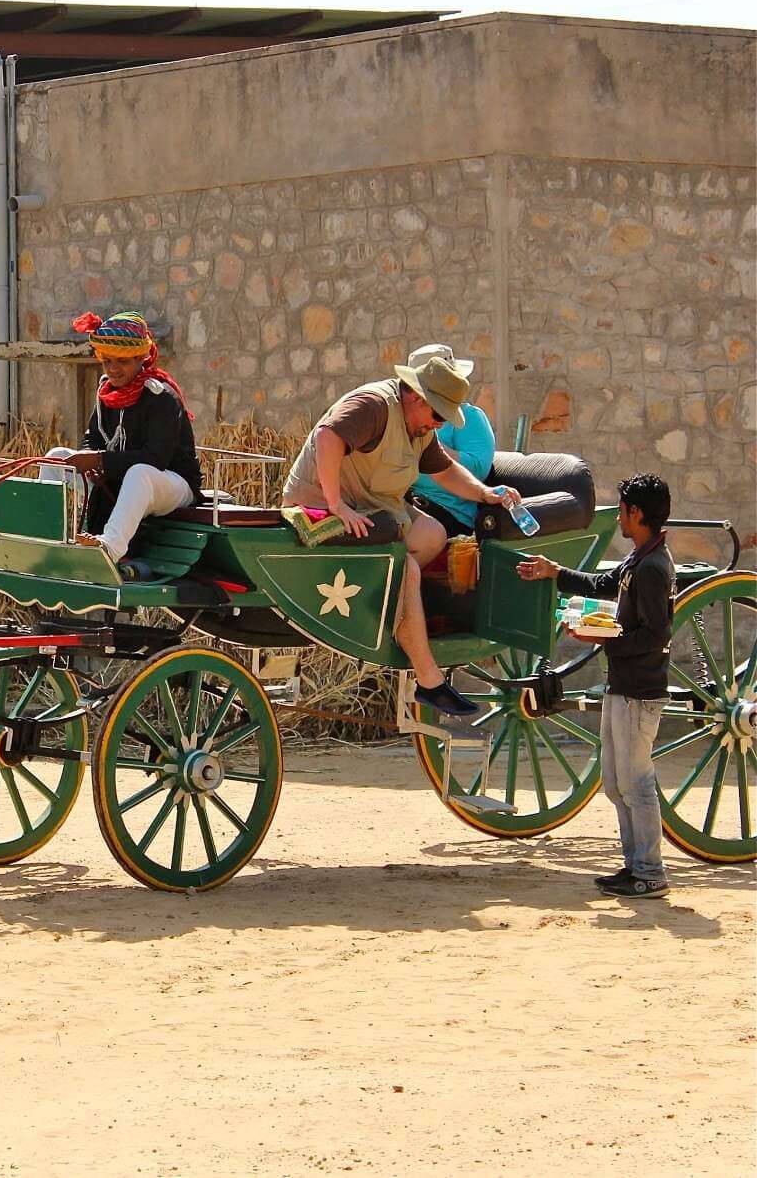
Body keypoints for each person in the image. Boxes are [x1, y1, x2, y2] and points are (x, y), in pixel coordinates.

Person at [282, 344, 523, 717]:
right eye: (437, 415)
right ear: (413, 394)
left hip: (375, 509)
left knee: (433, 534)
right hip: (324, 509)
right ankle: (429, 680)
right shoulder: (374, 404)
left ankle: (386, 602)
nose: (438, 425)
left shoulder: (419, 426)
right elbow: (329, 436)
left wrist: (485, 493)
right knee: (404, 571)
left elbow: (443, 470)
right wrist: (336, 504)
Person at [517, 474, 676, 899]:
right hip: (622, 687)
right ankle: (634, 866)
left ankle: (650, 871)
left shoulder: (654, 568)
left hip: (639, 693)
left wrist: (603, 639)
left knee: (636, 783)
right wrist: (555, 573)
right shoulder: (640, 558)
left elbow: (656, 636)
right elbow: (599, 586)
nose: (620, 516)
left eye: (623, 509)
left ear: (636, 513)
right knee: (614, 782)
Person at [43, 311, 203, 564]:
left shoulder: (161, 397)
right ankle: (47, 537)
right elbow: (93, 437)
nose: (114, 369)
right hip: (120, 476)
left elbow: (155, 459)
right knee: (56, 458)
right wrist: (89, 459)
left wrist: (100, 461)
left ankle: (110, 547)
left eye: (122, 361)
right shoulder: (106, 391)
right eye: (107, 362)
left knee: (139, 473)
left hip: (173, 483)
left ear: (141, 357)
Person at [406, 346, 496, 538]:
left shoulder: (470, 417)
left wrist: (430, 445)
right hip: (405, 500)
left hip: (448, 512)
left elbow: (478, 468)